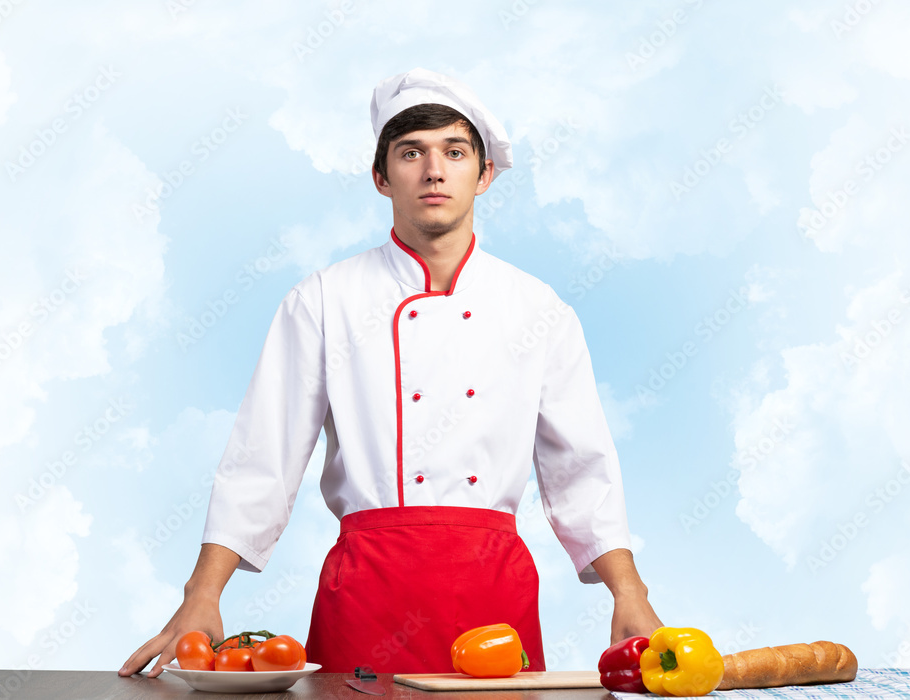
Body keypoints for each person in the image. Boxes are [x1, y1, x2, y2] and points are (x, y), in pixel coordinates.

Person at [118, 67, 662, 677]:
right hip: (367, 593)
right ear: (382, 177)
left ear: (483, 175)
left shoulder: (539, 310)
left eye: (454, 152)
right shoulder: (324, 299)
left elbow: (581, 466)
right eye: (411, 153)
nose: (434, 170)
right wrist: (204, 593)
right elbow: (263, 458)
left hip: (493, 596)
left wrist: (629, 592)